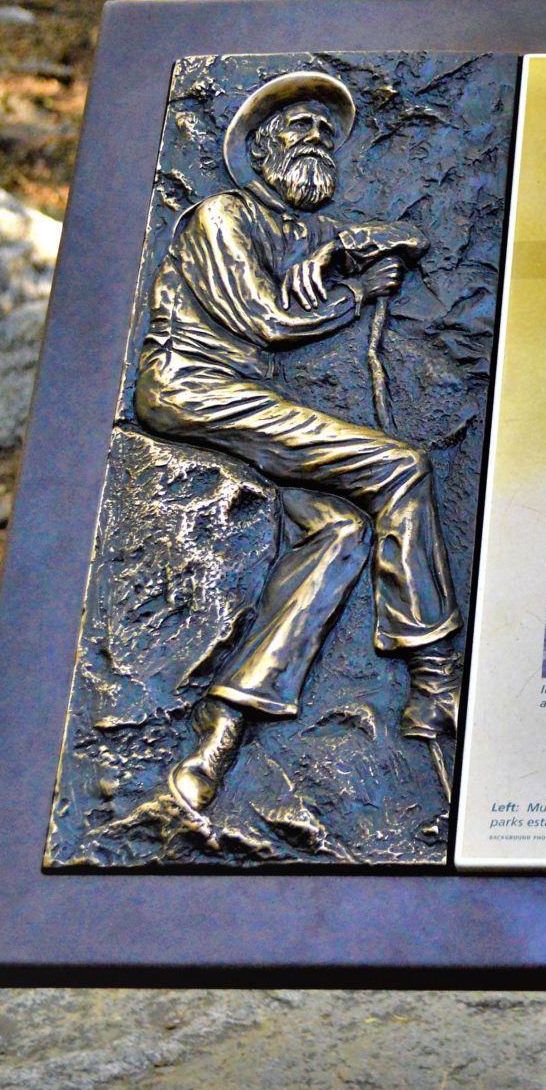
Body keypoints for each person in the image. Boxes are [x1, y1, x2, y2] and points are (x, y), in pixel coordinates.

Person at [132, 70, 463, 815]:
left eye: (325, 133)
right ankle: (434, 674)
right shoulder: (220, 215)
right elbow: (269, 321)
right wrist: (354, 293)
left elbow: (394, 241)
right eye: (299, 128)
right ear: (260, 150)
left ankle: (221, 734)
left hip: (245, 406)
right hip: (194, 390)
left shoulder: (303, 228)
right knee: (400, 468)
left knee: (340, 532)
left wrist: (347, 251)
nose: (317, 140)